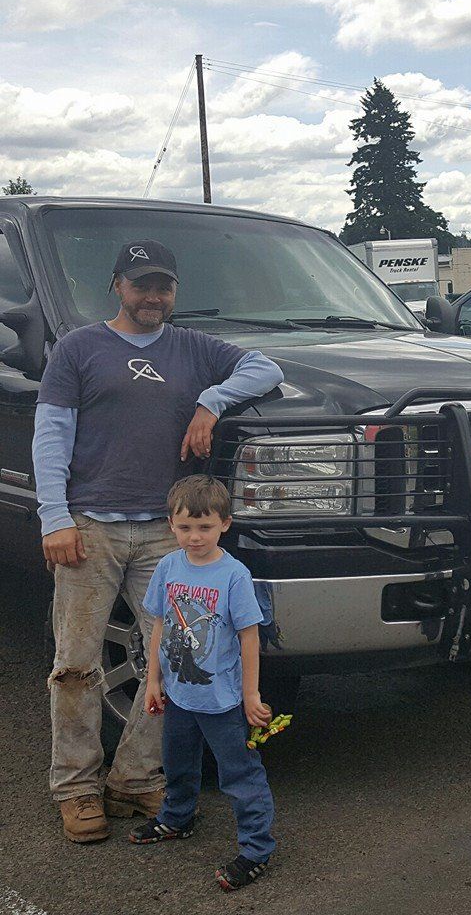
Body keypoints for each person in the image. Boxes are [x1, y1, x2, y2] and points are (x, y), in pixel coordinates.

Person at [34, 239, 284, 842]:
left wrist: (210, 399)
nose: (154, 297)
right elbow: (50, 437)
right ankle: (75, 787)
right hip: (89, 527)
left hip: (164, 536)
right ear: (117, 285)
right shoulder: (78, 349)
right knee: (76, 664)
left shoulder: (194, 349)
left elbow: (266, 368)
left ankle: (137, 780)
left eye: (164, 286)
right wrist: (54, 517)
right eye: (142, 285)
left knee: (175, 662)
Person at [130, 475, 274, 892]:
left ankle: (256, 849)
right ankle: (177, 817)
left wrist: (250, 695)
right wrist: (154, 679)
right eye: (185, 527)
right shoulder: (168, 566)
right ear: (171, 525)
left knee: (239, 775)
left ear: (225, 524)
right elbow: (159, 623)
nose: (195, 537)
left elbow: (249, 637)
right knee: (176, 762)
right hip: (179, 694)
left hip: (223, 701)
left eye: (205, 527)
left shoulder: (234, 575)